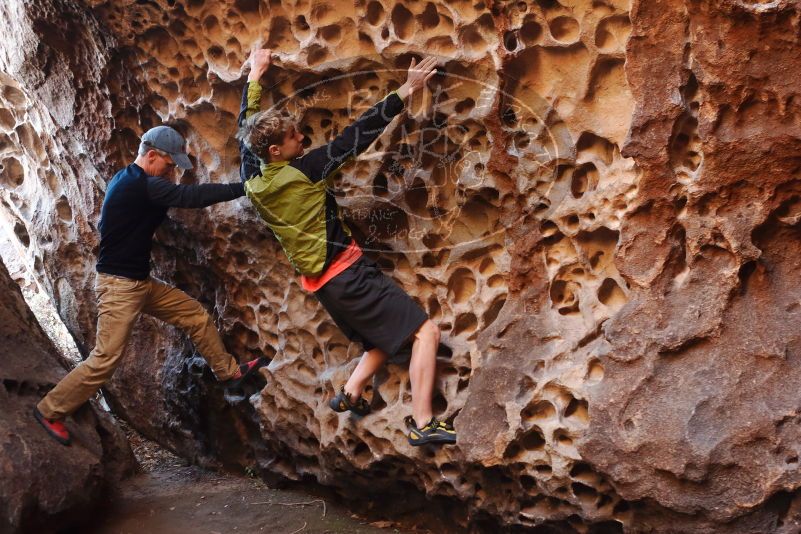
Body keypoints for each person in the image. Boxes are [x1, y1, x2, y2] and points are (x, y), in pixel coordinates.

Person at [237, 48, 456, 446]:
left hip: (324, 287)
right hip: (349, 274)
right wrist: (407, 89)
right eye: (292, 137)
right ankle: (424, 423)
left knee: (380, 339)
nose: (302, 138)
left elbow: (244, 125)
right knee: (425, 332)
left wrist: (256, 76)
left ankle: (352, 392)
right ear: (275, 152)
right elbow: (357, 135)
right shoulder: (306, 171)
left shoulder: (252, 176)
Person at [34, 125, 267, 446]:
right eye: (170, 166)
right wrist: (245, 187)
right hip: (120, 287)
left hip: (139, 282)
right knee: (105, 359)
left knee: (194, 315)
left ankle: (229, 374)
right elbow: (191, 197)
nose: (172, 173)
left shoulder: (126, 178)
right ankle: (49, 409)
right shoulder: (140, 185)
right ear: (152, 156)